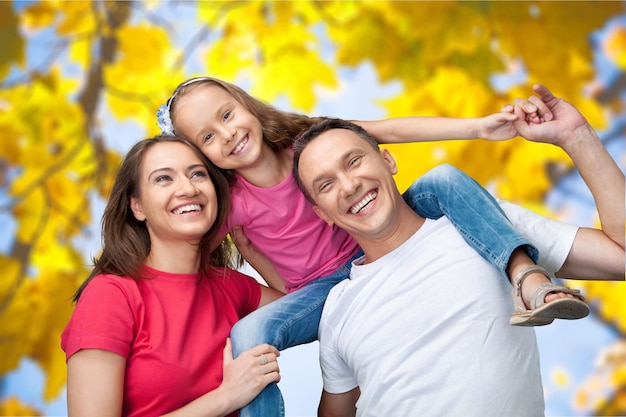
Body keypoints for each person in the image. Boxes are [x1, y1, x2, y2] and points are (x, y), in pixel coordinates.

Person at [157, 77, 614, 416]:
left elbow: (389, 129)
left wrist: (477, 127)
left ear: (244, 103)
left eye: (226, 115)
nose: (228, 134)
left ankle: (526, 276)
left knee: (440, 180)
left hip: (376, 243)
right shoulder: (233, 204)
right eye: (208, 138)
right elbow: (183, 246)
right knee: (248, 336)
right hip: (323, 292)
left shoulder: (307, 140)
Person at [292, 85, 625, 416]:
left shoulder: (486, 225)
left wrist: (576, 136)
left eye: (353, 162)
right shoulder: (336, 308)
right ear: (322, 213)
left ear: (388, 160)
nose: (349, 186)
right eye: (326, 184)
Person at [61, 136, 284, 417]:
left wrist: (255, 256)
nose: (188, 188)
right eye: (164, 179)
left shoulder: (229, 285)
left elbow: (306, 309)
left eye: (197, 174)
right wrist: (227, 397)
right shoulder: (111, 295)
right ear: (137, 207)